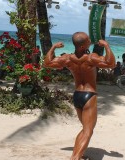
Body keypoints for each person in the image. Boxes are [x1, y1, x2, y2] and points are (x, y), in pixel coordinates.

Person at [43, 32, 115, 160]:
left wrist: (53, 47)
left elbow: (47, 63)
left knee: (85, 129)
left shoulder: (67, 58)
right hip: (89, 95)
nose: (90, 42)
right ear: (82, 46)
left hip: (77, 96)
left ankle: (76, 155)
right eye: (88, 41)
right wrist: (107, 46)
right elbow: (111, 63)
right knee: (88, 131)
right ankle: (75, 158)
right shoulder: (91, 58)